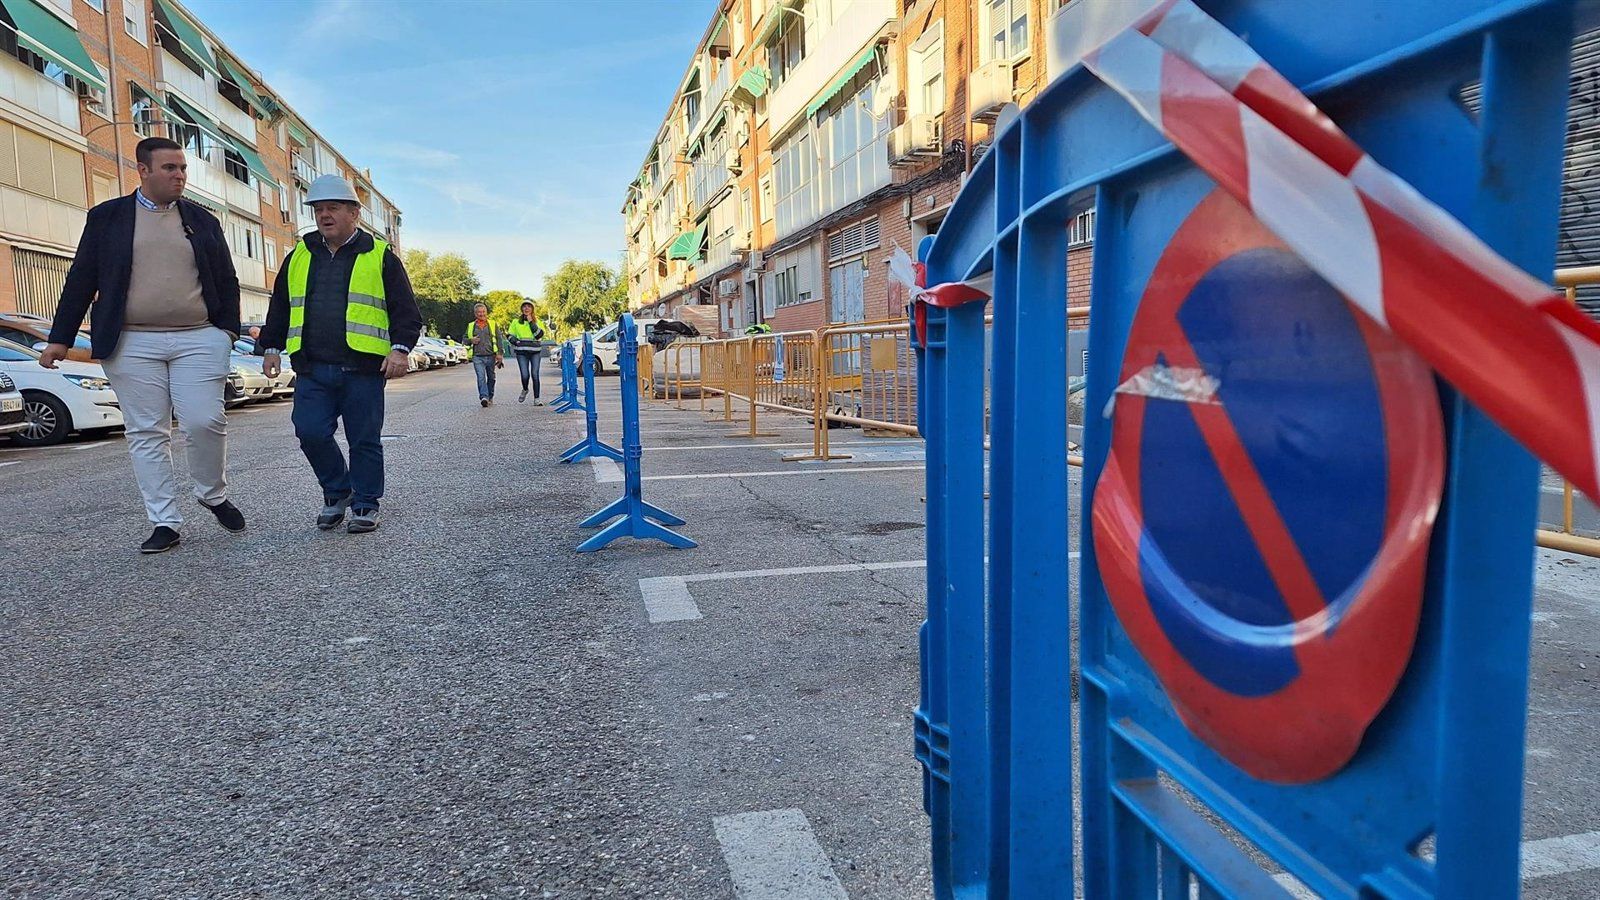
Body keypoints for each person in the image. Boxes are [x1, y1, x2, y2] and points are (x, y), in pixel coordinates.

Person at [41, 137, 243, 554]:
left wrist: (228, 332)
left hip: (199, 336)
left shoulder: (203, 220)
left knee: (205, 420)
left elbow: (226, 279)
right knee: (147, 432)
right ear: (144, 170)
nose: (180, 176)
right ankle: (165, 522)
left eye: (183, 168)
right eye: (170, 168)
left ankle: (211, 493)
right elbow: (81, 279)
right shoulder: (107, 218)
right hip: (132, 340)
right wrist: (60, 338)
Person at [258, 174, 422, 534]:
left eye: (333, 208)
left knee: (363, 438)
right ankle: (337, 490)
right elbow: (281, 306)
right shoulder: (299, 255)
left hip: (363, 366)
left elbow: (405, 310)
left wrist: (399, 349)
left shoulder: (380, 256)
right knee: (309, 431)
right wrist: (271, 346)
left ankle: (365, 502)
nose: (324, 215)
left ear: (355, 214)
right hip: (313, 366)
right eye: (318, 209)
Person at [507, 302, 545, 404]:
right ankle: (525, 389)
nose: (526, 308)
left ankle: (537, 399)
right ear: (521, 309)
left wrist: (531, 321)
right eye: (524, 306)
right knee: (525, 375)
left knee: (535, 374)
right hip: (521, 351)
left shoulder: (538, 321)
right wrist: (516, 341)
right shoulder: (515, 322)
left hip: (535, 352)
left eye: (529, 306)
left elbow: (538, 336)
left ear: (532, 309)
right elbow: (509, 335)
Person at [465, 303, 502, 407]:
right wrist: (471, 340)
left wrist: (500, 353)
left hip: (491, 355)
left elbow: (499, 339)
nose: (481, 314)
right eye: (479, 312)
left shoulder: (493, 324)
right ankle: (484, 397)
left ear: (486, 312)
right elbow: (464, 340)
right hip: (477, 356)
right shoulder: (471, 326)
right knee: (481, 377)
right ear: (475, 314)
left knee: (491, 377)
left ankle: (490, 396)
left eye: (483, 312)